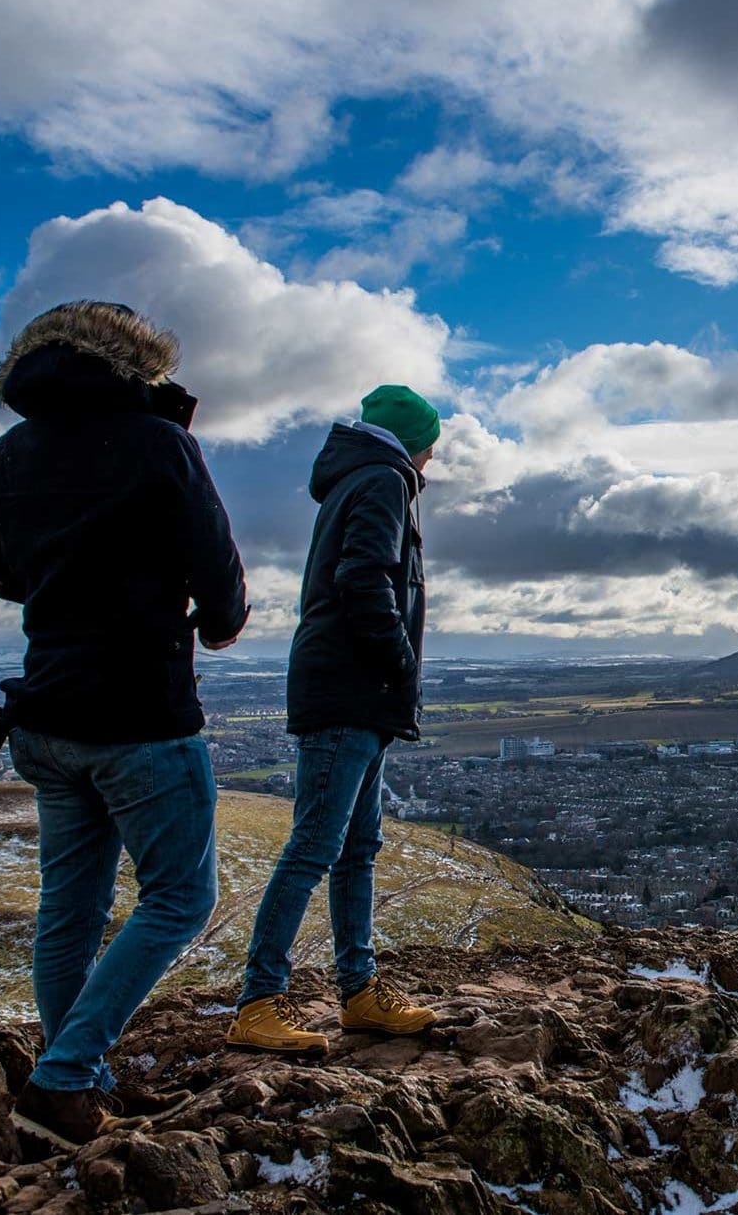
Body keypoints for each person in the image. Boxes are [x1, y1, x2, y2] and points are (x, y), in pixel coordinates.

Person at [0, 301, 248, 1147]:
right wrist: (211, 615)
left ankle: (74, 1077)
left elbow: (2, 577)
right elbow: (219, 576)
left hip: (46, 713)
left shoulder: (8, 453)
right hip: (139, 713)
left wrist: (73, 585)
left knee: (71, 908)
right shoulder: (160, 443)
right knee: (178, 897)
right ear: (138, 363)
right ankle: (61, 1080)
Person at [226, 385, 439, 1054]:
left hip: (357, 691)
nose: (436, 457)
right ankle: (258, 1001)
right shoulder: (382, 480)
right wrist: (399, 660)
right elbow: (364, 578)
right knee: (317, 845)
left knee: (354, 848)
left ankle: (360, 993)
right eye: (433, 443)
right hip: (351, 688)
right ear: (415, 440)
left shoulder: (363, 479)